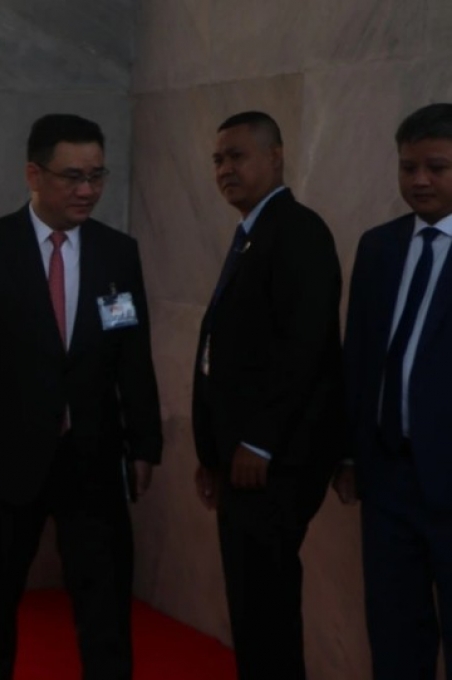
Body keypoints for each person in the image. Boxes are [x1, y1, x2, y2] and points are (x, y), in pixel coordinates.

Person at [0, 113, 163, 680]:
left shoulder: (119, 253)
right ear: (33, 175)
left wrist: (144, 444)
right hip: (5, 462)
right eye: (72, 177)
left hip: (94, 458)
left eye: (97, 176)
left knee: (106, 609)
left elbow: (133, 354)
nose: (87, 190)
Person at [191, 111, 343, 680]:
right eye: (218, 159)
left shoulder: (297, 231)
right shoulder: (254, 233)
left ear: (275, 157)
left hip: (272, 465)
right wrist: (211, 453)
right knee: (251, 606)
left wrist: (259, 442)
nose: (225, 169)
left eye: (238, 156)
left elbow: (305, 351)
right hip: (239, 463)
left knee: (268, 605)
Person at [338, 103, 452, 679]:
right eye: (408, 167)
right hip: (388, 480)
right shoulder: (379, 246)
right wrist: (351, 452)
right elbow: (357, 356)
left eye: (436, 166)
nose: (420, 180)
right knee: (394, 635)